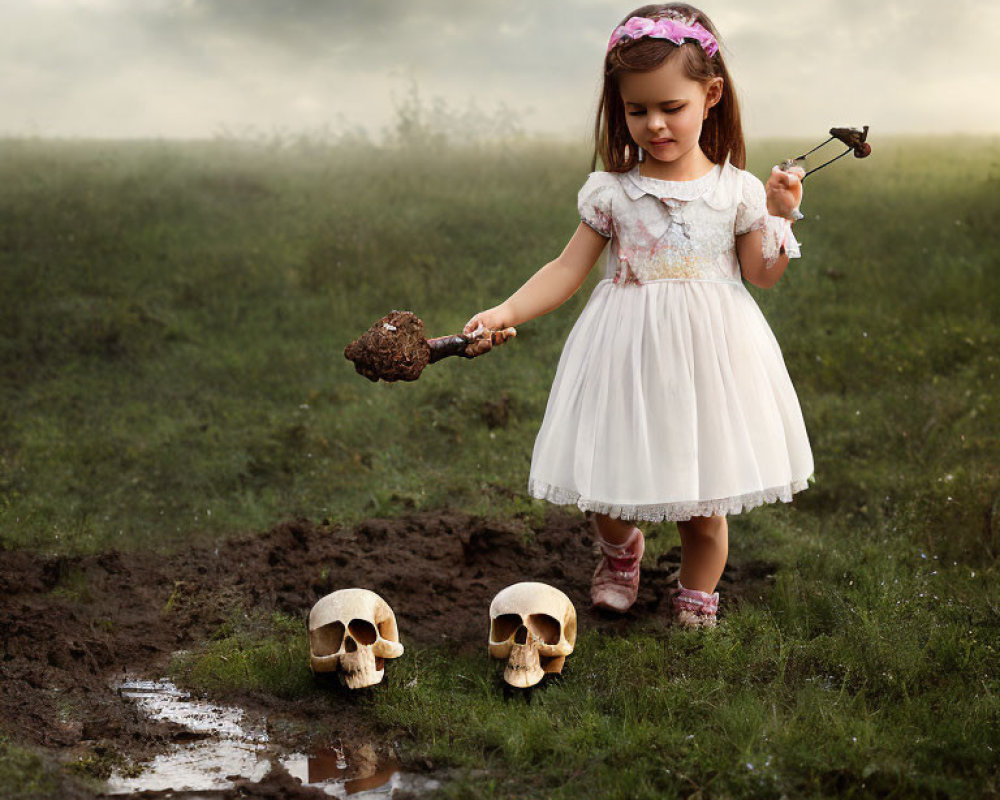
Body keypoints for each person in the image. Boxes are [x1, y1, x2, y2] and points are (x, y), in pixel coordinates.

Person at [464, 3, 813, 628]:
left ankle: (695, 594)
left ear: (710, 96)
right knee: (611, 480)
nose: (653, 124)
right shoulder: (613, 191)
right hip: (626, 351)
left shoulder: (736, 191)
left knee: (704, 500)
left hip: (711, 358)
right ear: (618, 107)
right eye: (637, 109)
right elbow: (567, 269)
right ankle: (622, 552)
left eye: (670, 107)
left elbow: (761, 275)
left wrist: (779, 217)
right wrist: (506, 309)